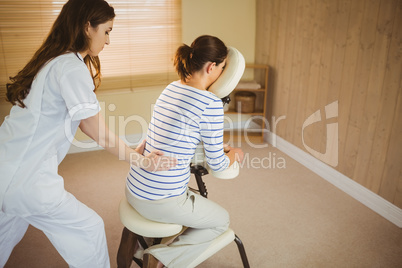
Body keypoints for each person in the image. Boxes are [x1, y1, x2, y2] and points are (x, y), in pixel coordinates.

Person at [0, 0, 176, 267]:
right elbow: (96, 131)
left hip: (5, 167)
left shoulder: (51, 60)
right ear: (86, 26)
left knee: (5, 233)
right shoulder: (71, 67)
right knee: (89, 229)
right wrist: (141, 160)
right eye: (106, 31)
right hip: (26, 180)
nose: (108, 41)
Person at [125, 35, 245, 268]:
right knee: (221, 221)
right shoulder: (210, 103)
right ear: (212, 67)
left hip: (133, 188)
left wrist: (212, 143)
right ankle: (160, 258)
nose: (222, 73)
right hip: (160, 201)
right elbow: (219, 165)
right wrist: (236, 154)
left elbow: (179, 133)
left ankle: (142, 248)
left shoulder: (172, 87)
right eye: (222, 68)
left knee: (198, 206)